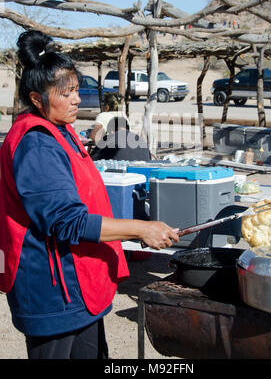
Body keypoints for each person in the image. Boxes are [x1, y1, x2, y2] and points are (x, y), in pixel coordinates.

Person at [0, 30, 179, 360]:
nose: (77, 99)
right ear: (37, 99)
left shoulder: (60, 130)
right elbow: (66, 221)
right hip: (53, 289)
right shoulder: (37, 144)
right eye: (65, 93)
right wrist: (140, 229)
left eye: (76, 90)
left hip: (77, 283)